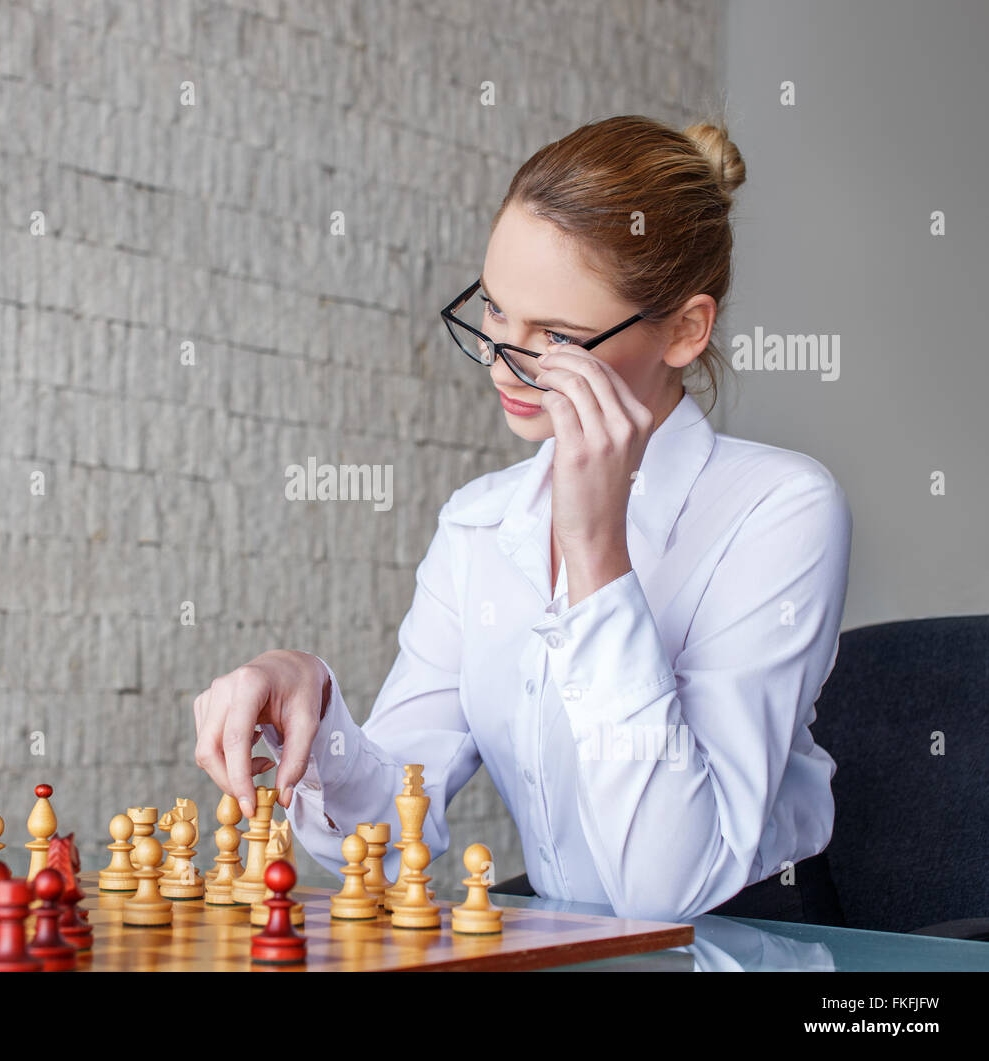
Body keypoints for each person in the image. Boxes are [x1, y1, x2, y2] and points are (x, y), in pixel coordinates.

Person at [191, 115, 851, 925]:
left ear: (684, 330)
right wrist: (315, 702)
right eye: (496, 311)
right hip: (573, 942)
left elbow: (669, 886)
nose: (503, 357)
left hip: (753, 942)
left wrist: (594, 549)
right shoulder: (480, 522)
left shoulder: (781, 510)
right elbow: (388, 838)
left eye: (558, 335)